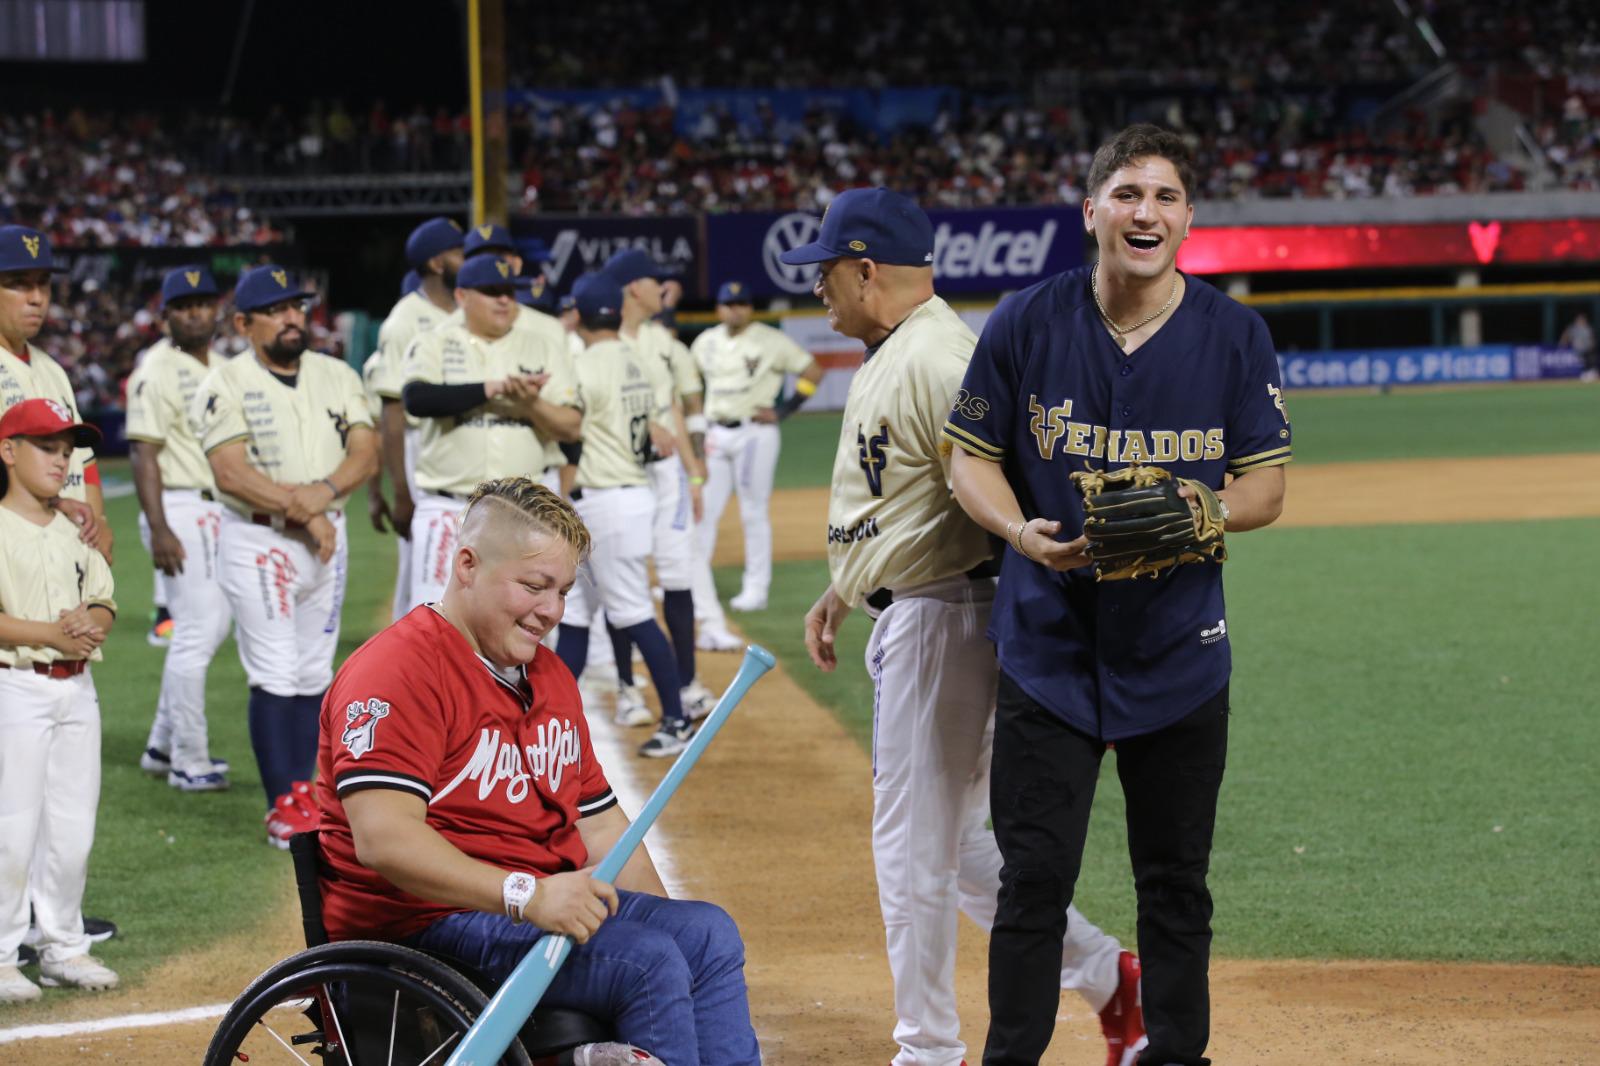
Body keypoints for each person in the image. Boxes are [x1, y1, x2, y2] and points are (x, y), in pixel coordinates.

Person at [943, 125, 1290, 1066]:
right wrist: (1020, 534)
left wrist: (1200, 514)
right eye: (1129, 193)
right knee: (1033, 884)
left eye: (1167, 196)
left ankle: (1178, 1057)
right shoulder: (1026, 320)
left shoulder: (1232, 333)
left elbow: (1264, 487)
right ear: (1090, 209)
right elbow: (968, 454)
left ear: (1189, 218)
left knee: (1176, 885)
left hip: (1179, 652)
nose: (1148, 212)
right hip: (1048, 649)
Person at [791, 187, 1144, 1066]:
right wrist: (846, 584)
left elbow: (1007, 480)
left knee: (911, 852)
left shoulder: (939, 357)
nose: (819, 290)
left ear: (867, 268)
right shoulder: (898, 349)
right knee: (958, 846)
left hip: (946, 616)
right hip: (923, 606)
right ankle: (1111, 980)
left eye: (828, 271)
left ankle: (927, 1051)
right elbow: (904, 495)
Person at [313, 477, 761, 1065]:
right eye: (534, 586)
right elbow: (384, 841)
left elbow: (601, 829)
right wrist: (527, 895)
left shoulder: (548, 676)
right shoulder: (398, 671)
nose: (551, 611)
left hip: (520, 911)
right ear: (467, 565)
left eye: (564, 591)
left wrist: (661, 921)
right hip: (427, 922)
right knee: (647, 962)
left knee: (704, 934)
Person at [192, 264, 379, 848]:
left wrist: (321, 498)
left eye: (296, 306)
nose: (292, 317)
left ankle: (308, 794)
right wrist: (308, 511)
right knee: (274, 669)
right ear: (245, 323)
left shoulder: (334, 372)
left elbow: (365, 450)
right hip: (262, 537)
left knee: (311, 671)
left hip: (326, 532)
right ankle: (282, 805)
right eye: (276, 310)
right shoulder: (225, 382)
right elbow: (230, 471)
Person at [0, 398, 120, 1002]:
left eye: (65, 448)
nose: (60, 458)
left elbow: (104, 595)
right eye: (45, 446)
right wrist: (50, 632)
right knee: (12, 825)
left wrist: (89, 618)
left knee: (72, 826)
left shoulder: (78, 527)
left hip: (77, 685)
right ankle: (0, 952)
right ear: (8, 451)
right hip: (15, 684)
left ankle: (63, 946)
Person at [554, 273, 694, 758]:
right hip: (628, 494)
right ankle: (542, 719)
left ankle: (676, 718)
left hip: (607, 499)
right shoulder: (637, 357)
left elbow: (567, 427)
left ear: (581, 316)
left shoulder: (582, 364)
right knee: (573, 615)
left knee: (634, 614)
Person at [400, 254, 581, 610]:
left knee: (527, 618)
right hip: (449, 506)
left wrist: (530, 403)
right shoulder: (435, 341)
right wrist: (492, 388)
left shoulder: (541, 345)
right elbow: (417, 399)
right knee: (434, 620)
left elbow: (571, 426)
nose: (504, 299)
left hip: (524, 513)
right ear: (463, 297)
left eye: (510, 292)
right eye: (492, 291)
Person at [127, 265, 235, 791]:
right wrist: (159, 526)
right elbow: (144, 452)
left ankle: (161, 742)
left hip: (216, 507)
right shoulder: (156, 368)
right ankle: (189, 761)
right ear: (166, 313)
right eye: (184, 304)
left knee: (210, 627)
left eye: (203, 302)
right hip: (181, 506)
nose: (195, 311)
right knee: (196, 631)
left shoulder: (223, 363)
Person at [600, 248, 713, 725]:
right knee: (622, 580)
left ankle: (686, 684)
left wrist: (694, 474)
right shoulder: (596, 342)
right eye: (653, 280)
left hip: (665, 474)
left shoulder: (665, 343)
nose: (662, 288)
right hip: (618, 472)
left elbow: (679, 413)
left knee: (677, 576)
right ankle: (628, 687)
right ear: (631, 287)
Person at [690, 278, 822, 627]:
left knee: (753, 510)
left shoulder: (770, 340)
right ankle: (694, 581)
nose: (736, 309)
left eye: (743, 303)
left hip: (754, 434)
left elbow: (812, 371)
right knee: (705, 509)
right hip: (716, 432)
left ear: (750, 307)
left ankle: (756, 588)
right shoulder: (706, 343)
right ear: (718, 308)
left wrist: (784, 410)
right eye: (730, 304)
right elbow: (690, 387)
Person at [366, 217, 464, 622]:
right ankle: (404, 667)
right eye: (459, 251)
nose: (467, 257)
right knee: (422, 572)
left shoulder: (465, 308)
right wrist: (399, 492)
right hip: (418, 444)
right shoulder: (406, 319)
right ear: (438, 262)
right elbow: (390, 414)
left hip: (459, 446)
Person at [0, 225, 111, 562]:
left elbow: (83, 460)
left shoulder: (52, 369)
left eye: (43, 283)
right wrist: (55, 502)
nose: (37, 297)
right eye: (19, 284)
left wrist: (99, 523)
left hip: (67, 546)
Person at [1559, 310, 1596, 381]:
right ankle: (1586, 374)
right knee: (1584, 361)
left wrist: (1592, 344)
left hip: (1587, 348)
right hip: (1578, 349)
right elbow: (1566, 334)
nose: (1581, 321)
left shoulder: (1587, 328)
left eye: (1582, 319)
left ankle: (1589, 374)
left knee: (1590, 360)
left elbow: (1591, 338)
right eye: (1580, 319)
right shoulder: (1574, 328)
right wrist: (1563, 342)